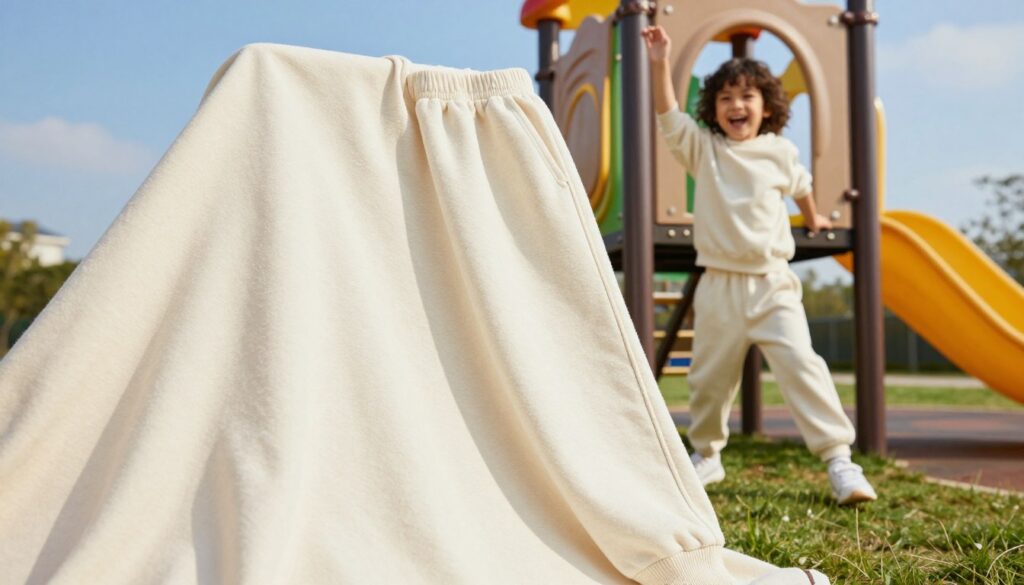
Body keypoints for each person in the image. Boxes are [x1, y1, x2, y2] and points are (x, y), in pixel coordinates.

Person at [641, 25, 877, 505]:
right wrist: (661, 62)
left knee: (802, 366)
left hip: (773, 284)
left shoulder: (779, 151)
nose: (736, 105)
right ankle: (706, 455)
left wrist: (812, 221)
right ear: (715, 110)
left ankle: (839, 460)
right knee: (708, 377)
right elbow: (668, 114)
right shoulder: (705, 149)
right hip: (720, 284)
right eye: (726, 97)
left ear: (766, 106)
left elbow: (802, 184)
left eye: (747, 95)